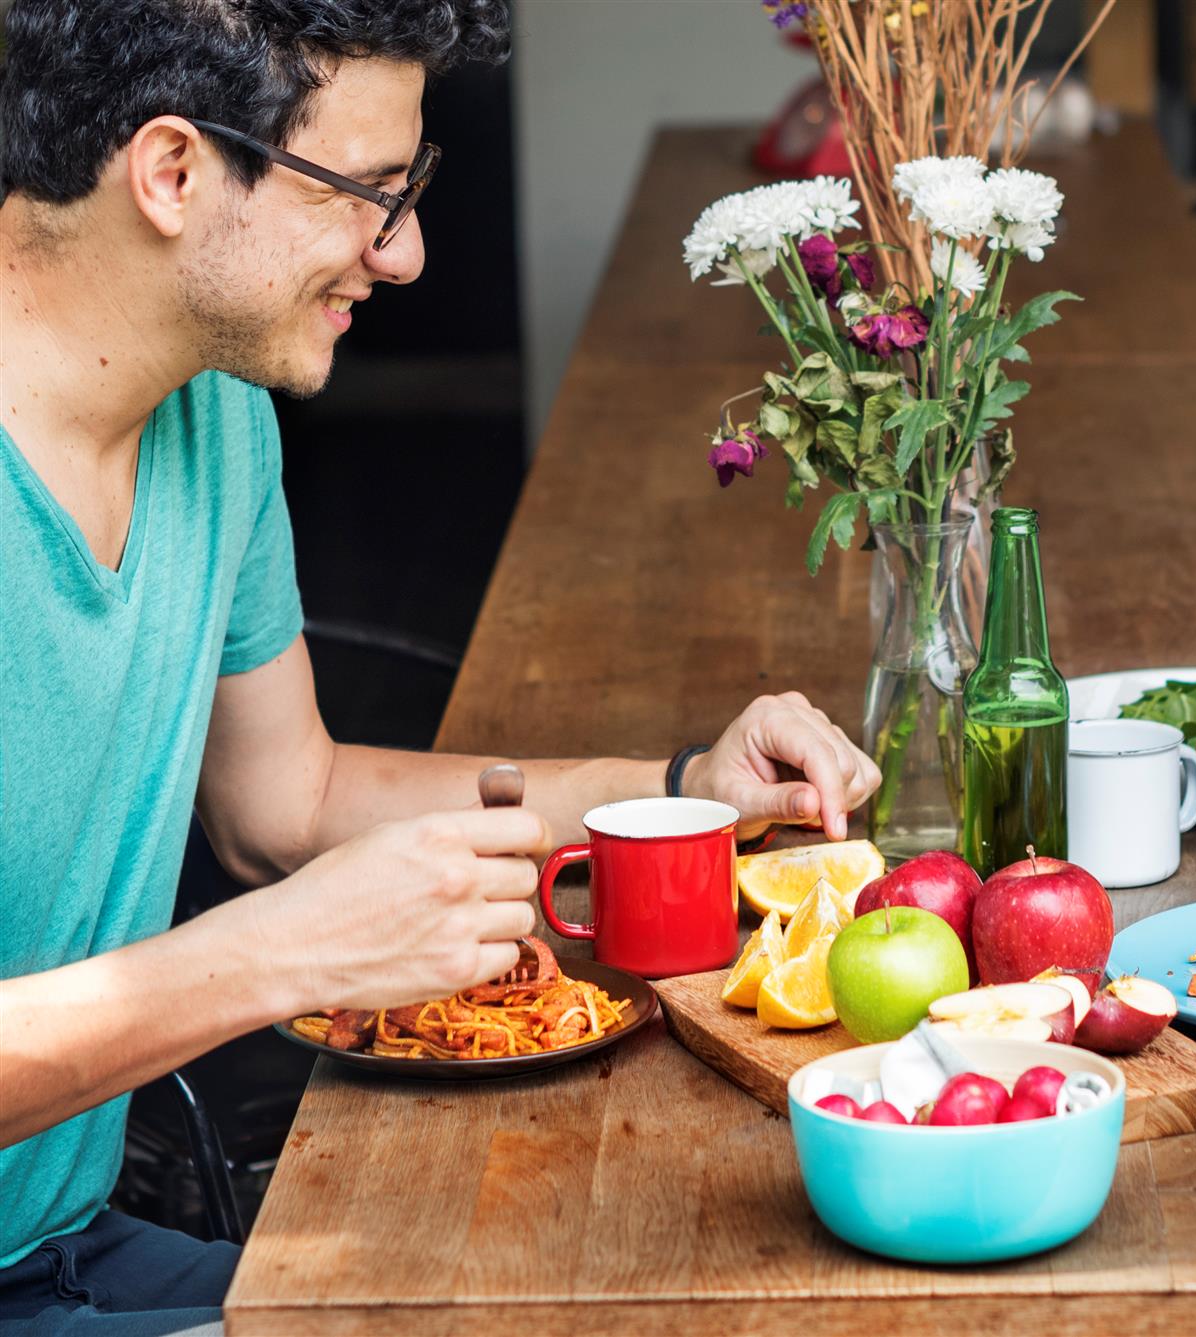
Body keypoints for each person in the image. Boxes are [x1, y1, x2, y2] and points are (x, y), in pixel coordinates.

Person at [0, 1, 880, 1330]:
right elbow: (278, 902)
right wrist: (272, 959)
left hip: (69, 1251)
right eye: (367, 194)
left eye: (409, 192)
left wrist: (683, 790)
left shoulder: (211, 408)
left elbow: (283, 804)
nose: (403, 253)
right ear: (172, 173)